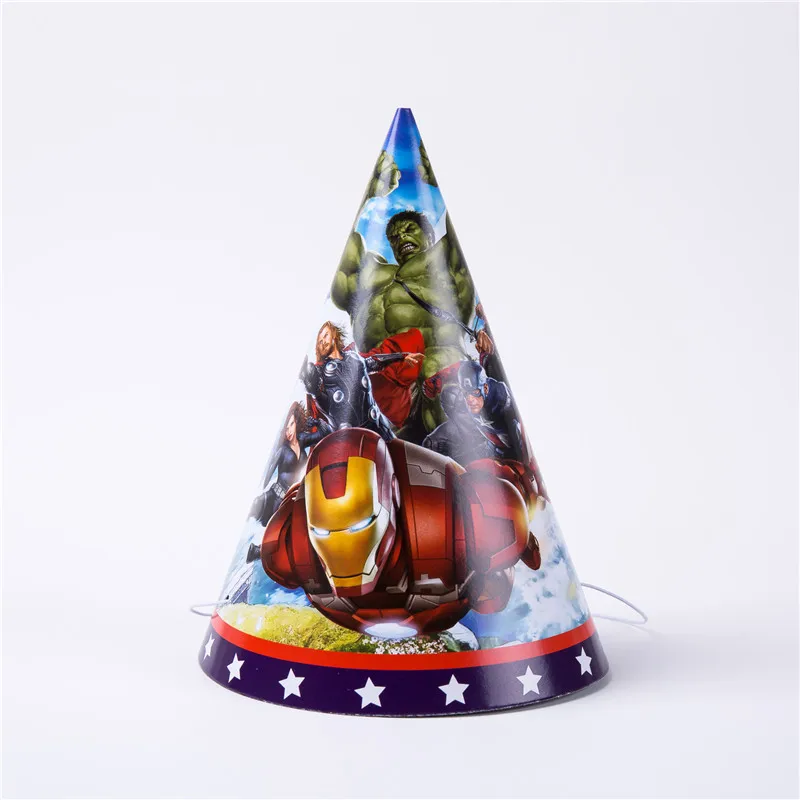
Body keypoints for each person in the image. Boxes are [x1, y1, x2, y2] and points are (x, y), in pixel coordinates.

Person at [247, 428, 542, 638]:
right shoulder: (286, 543)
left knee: (493, 596)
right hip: (410, 612)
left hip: (439, 604)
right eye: (324, 531)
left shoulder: (459, 513)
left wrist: (519, 543)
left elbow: (506, 519)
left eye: (358, 525)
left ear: (390, 495)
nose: (344, 546)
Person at [300, 321, 423, 441]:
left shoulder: (353, 357)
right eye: (320, 341)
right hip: (357, 440)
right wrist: (312, 387)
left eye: (325, 335)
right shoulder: (321, 372)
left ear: (334, 335)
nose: (323, 342)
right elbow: (323, 401)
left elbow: (374, 362)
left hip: (381, 428)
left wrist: (402, 356)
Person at [249, 402, 331, 527]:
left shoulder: (302, 439)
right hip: (275, 500)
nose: (289, 432)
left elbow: (325, 433)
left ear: (296, 421)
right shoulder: (282, 450)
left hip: (296, 501)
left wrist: (316, 422)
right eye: (286, 428)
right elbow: (264, 477)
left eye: (291, 424)